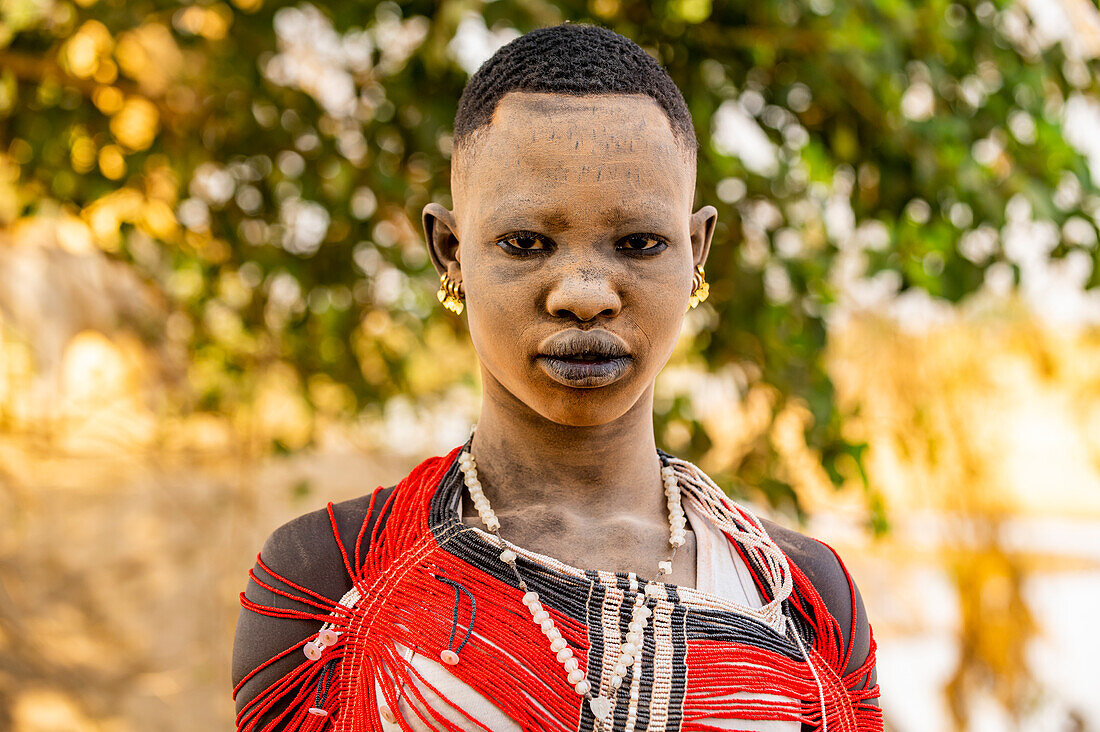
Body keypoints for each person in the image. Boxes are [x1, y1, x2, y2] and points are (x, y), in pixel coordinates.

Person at [232, 23, 881, 732]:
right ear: (450, 251)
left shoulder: (801, 599)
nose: (583, 294)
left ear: (696, 253)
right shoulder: (335, 580)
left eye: (638, 244)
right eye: (525, 244)